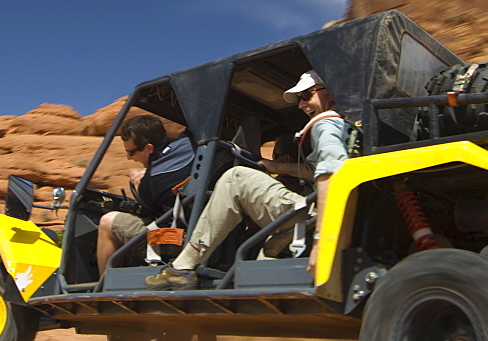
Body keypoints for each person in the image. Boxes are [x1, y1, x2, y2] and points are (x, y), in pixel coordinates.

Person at [145, 70, 348, 290]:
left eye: (307, 95)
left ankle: (183, 265)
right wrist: (277, 167)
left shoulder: (324, 125)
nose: (301, 105)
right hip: (315, 214)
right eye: (299, 99)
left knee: (235, 177)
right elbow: (324, 170)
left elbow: (333, 174)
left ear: (332, 94)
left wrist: (323, 241)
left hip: (314, 217)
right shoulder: (344, 124)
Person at [96, 115, 195, 274]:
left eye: (131, 152)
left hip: (177, 241)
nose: (129, 158)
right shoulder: (190, 141)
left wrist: (142, 182)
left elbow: (151, 209)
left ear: (149, 148)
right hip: (203, 231)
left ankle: (103, 290)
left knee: (107, 222)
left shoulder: (152, 182)